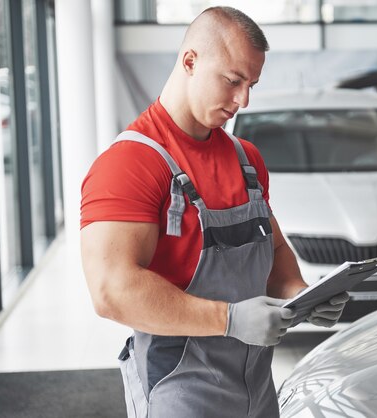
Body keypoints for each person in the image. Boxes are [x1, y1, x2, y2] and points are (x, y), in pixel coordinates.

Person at [80, 7, 348, 418]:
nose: (243, 100)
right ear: (190, 61)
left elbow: (273, 249)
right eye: (233, 80)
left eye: (252, 84)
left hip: (257, 388)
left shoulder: (247, 159)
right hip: (180, 391)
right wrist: (230, 319)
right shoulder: (130, 163)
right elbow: (111, 292)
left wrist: (301, 294)